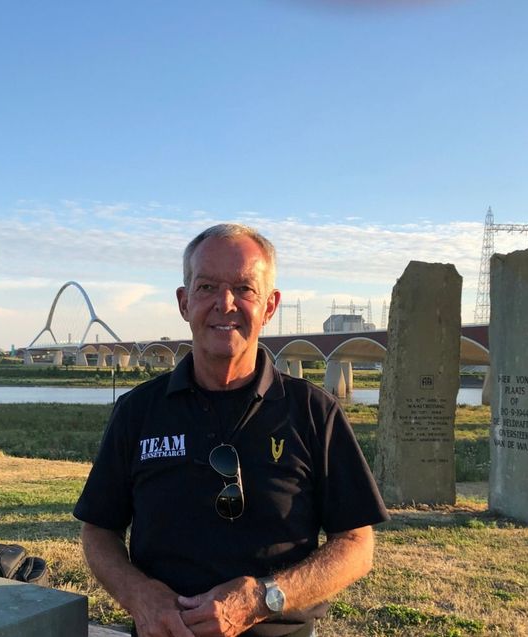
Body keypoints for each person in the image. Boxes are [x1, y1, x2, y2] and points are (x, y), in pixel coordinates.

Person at [74, 223, 389, 637]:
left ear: (270, 306)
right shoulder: (137, 411)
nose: (225, 304)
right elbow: (98, 530)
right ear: (184, 302)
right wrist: (140, 596)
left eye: (245, 289)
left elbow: (356, 546)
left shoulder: (314, 412)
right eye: (206, 287)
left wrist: (263, 598)